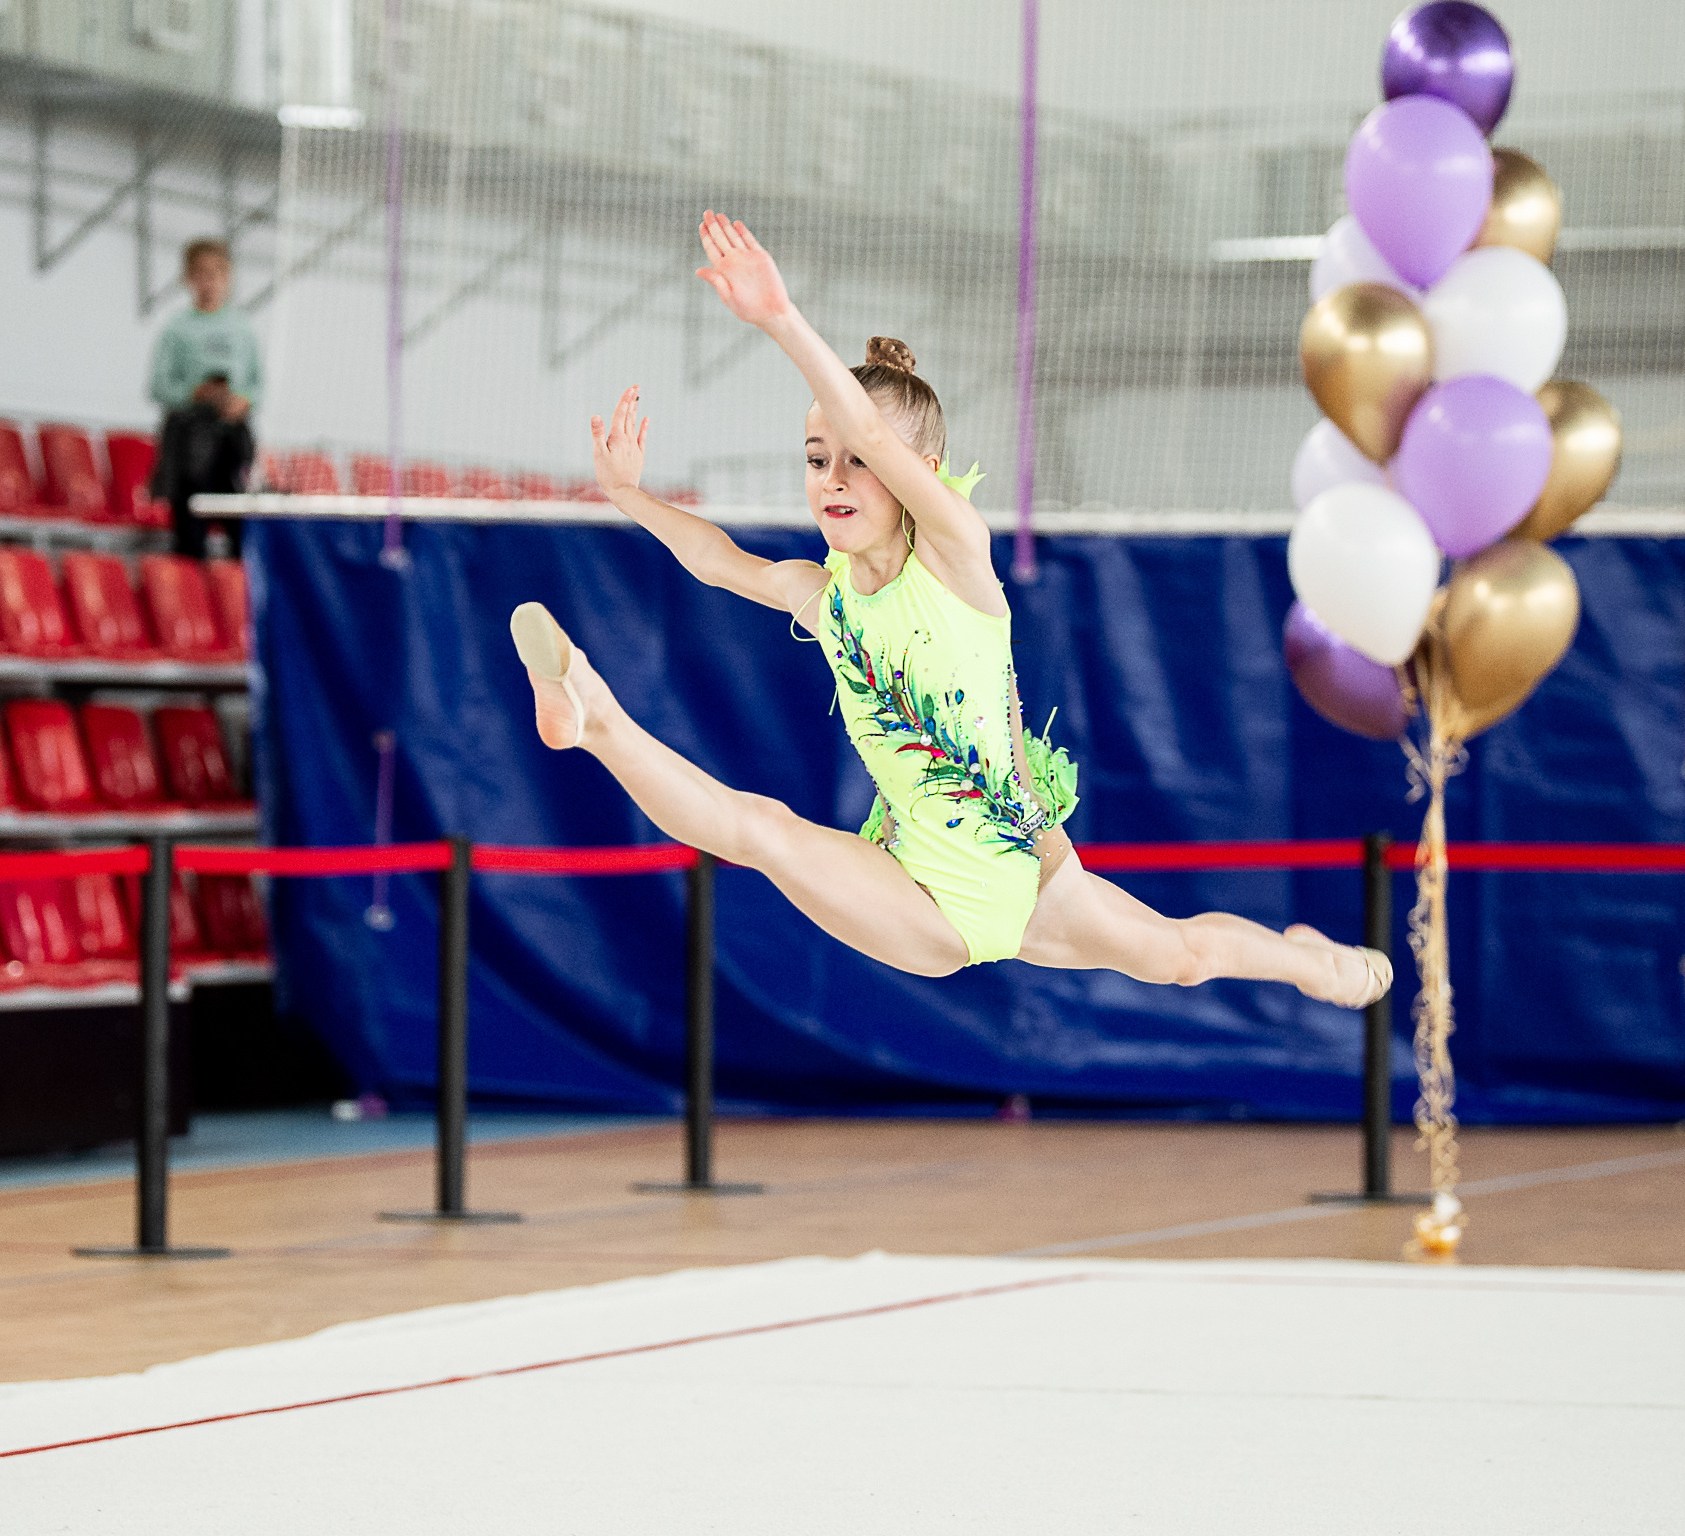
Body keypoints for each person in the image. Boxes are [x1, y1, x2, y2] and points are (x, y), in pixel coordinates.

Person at [507, 210, 1389, 1008]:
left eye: (853, 461)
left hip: (1037, 885)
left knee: (1183, 956)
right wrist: (628, 494)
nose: (833, 479)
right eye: (816, 459)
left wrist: (782, 320)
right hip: (917, 892)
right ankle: (593, 715)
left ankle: (1310, 962)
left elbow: (879, 435)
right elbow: (716, 559)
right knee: (762, 831)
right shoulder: (828, 599)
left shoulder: (961, 559)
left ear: (915, 476)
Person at [148, 237, 260, 558]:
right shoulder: (176, 329)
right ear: (188, 278)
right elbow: (157, 386)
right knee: (190, 539)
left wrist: (243, 401)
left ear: (228, 276)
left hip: (232, 442)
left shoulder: (243, 329)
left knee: (242, 540)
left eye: (217, 273)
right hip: (189, 444)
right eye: (201, 273)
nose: (209, 281)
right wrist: (192, 394)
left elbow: (257, 385)